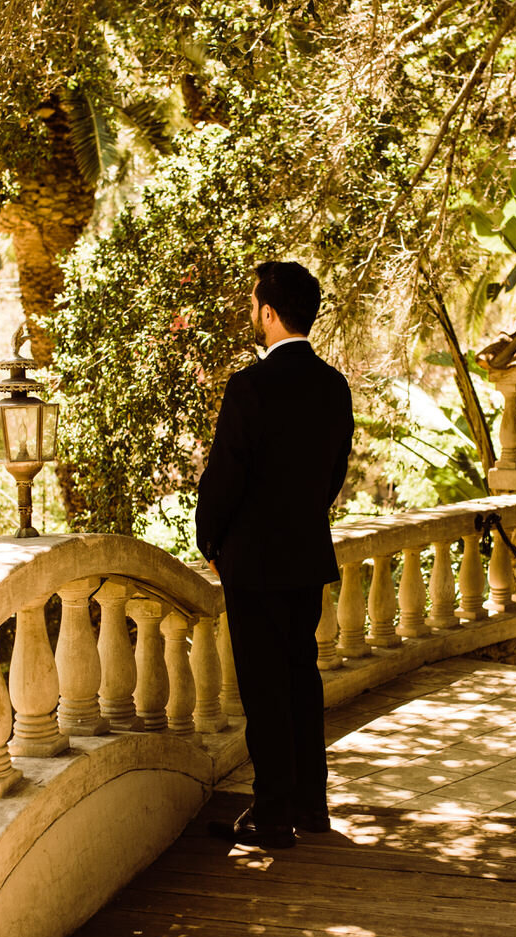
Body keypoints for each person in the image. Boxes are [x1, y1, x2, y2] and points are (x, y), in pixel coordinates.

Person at [196, 261, 354, 849]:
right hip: (305, 553)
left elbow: (225, 477)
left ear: (268, 312)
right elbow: (333, 472)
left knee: (265, 689)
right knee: (301, 679)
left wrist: (209, 539)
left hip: (255, 563)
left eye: (253, 303)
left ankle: (272, 817)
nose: (251, 312)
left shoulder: (250, 388)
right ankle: (312, 806)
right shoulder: (332, 386)